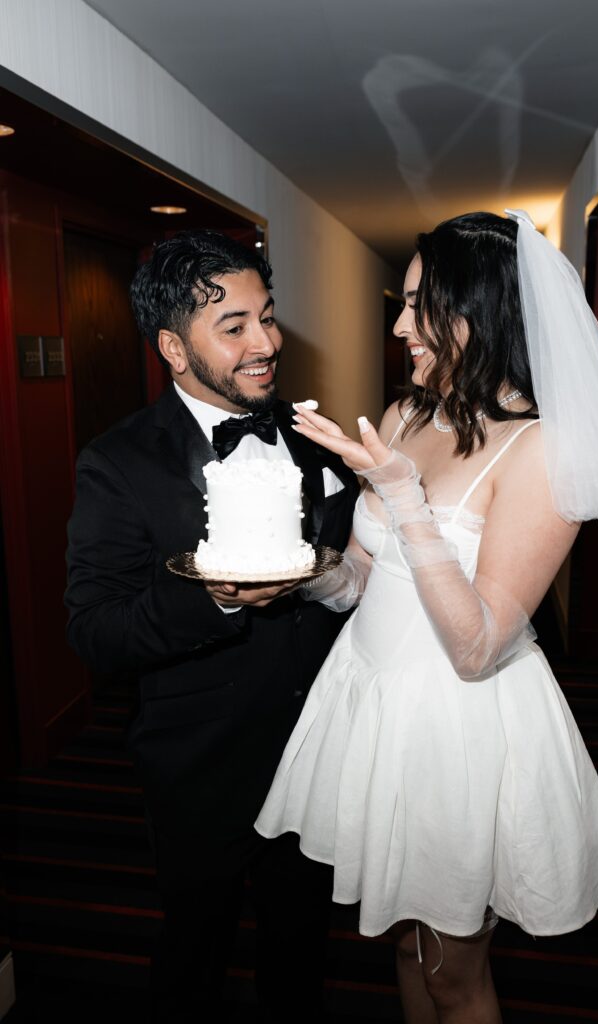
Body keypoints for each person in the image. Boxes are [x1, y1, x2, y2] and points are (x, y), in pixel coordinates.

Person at [255, 210, 598, 1023]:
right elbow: (369, 579)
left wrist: (403, 494)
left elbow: (477, 647)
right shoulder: (411, 413)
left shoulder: (543, 451)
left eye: (419, 305)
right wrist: (300, 573)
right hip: (371, 702)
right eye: (403, 303)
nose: (400, 323)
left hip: (455, 725)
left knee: (454, 973)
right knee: (407, 947)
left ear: (481, 311)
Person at [65, 229, 359, 1023]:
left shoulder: (311, 438)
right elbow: (96, 631)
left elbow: (348, 578)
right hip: (201, 766)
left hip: (315, 751)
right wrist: (217, 598)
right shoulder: (118, 462)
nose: (264, 343)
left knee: (301, 954)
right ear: (173, 346)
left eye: (267, 316)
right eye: (232, 327)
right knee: (195, 954)